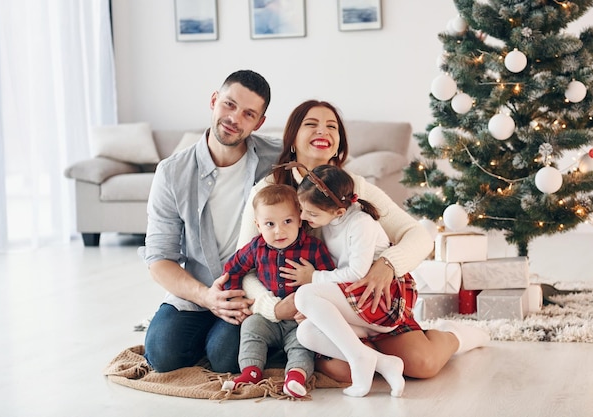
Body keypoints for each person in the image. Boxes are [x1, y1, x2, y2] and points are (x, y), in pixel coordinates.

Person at [237, 99, 490, 385]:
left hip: (368, 298)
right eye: (311, 124)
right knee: (342, 372)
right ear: (292, 138)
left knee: (424, 363)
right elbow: (244, 265)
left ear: (338, 145)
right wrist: (273, 307)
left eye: (331, 127)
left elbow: (418, 235)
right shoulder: (269, 190)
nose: (323, 131)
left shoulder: (353, 187)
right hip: (315, 310)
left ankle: (453, 335)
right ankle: (367, 352)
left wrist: (387, 265)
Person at [138, 69, 282, 373]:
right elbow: (159, 258)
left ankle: (233, 340)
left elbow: (321, 164)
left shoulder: (276, 158)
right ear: (214, 100)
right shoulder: (172, 172)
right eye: (229, 105)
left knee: (226, 359)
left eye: (248, 114)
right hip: (196, 289)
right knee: (161, 355)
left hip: (251, 292)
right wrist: (207, 297)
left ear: (259, 123)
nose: (234, 119)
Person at [277, 162, 412, 397]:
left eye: (311, 213)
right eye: (302, 209)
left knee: (306, 294)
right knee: (306, 332)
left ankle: (358, 358)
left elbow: (357, 274)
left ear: (339, 211)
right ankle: (383, 363)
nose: (302, 216)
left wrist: (313, 277)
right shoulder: (329, 219)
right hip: (359, 301)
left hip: (382, 300)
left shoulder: (360, 224)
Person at [220, 184, 335, 398]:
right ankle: (251, 371)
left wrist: (315, 309)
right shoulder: (256, 247)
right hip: (267, 318)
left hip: (300, 318)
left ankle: (296, 375)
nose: (279, 231)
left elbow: (330, 283)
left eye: (287, 221)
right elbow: (233, 269)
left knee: (304, 341)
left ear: (300, 220)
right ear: (258, 225)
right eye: (269, 224)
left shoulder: (314, 248)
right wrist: (236, 300)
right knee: (251, 328)